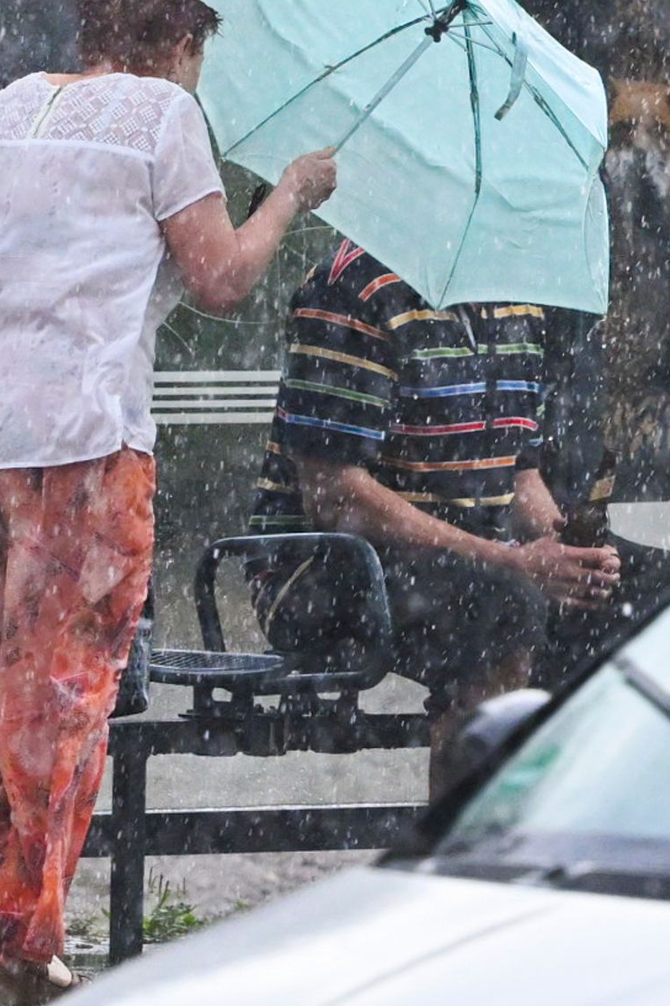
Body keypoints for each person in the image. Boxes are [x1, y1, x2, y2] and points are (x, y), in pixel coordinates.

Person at [0, 0, 337, 1003]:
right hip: (78, 437)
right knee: (72, 682)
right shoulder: (160, 115)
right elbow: (226, 278)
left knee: (6, 664)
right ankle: (26, 931)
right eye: (198, 61)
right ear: (178, 48)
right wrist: (289, 195)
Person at [246, 239, 621, 793]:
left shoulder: (518, 300)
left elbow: (518, 472)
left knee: (643, 598)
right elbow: (335, 495)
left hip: (465, 561)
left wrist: (564, 548)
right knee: (503, 605)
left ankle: (563, 825)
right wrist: (513, 563)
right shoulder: (352, 287)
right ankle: (464, 846)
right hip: (320, 567)